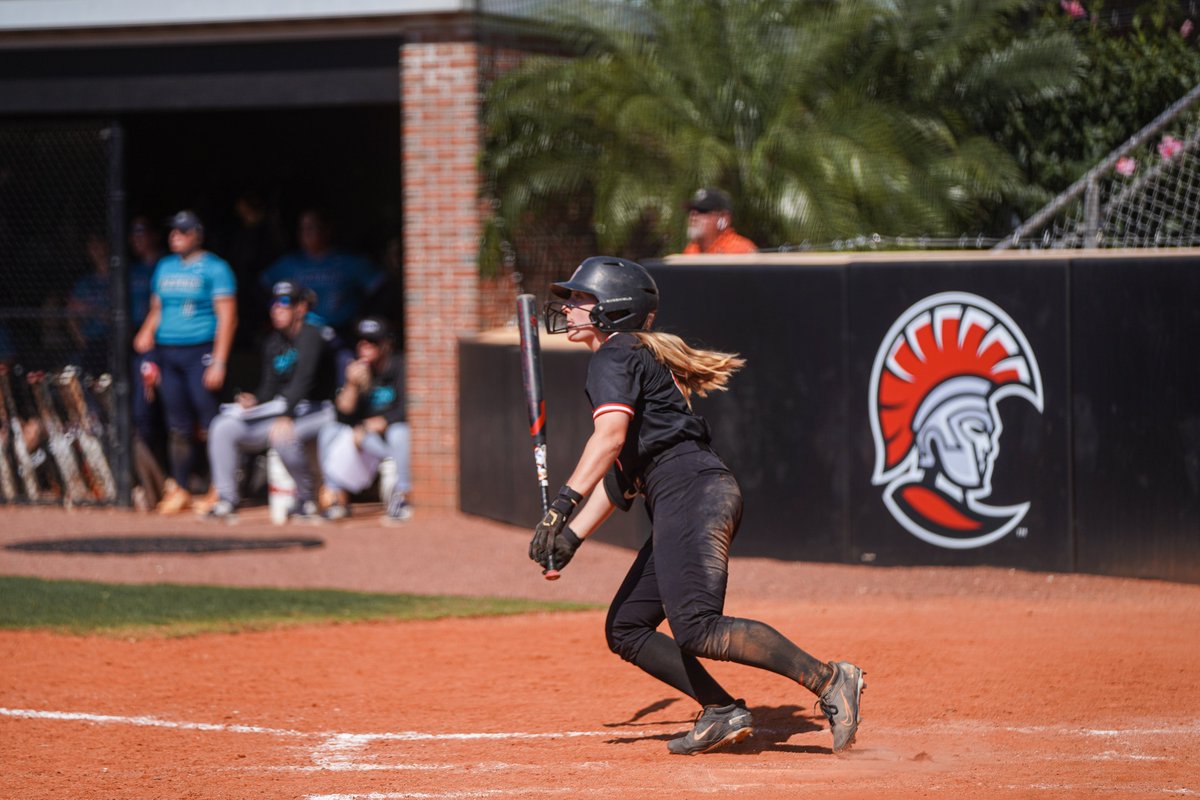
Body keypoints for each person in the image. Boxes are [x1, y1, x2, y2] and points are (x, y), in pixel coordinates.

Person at [528, 256, 864, 756]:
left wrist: (560, 504)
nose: (571, 308)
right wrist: (570, 536)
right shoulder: (632, 356)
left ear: (614, 309)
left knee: (698, 627)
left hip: (690, 491)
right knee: (627, 627)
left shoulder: (614, 355)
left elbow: (610, 438)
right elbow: (623, 479)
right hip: (685, 492)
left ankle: (830, 679)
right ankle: (721, 710)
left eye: (581, 298)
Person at [201, 281, 335, 522]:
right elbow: (269, 387)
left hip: (318, 410)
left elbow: (304, 382)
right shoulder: (273, 342)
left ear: (301, 308)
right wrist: (254, 400)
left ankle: (307, 499)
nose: (277, 309)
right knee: (223, 426)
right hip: (283, 410)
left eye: (285, 303)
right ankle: (226, 500)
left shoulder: (312, 335)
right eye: (274, 304)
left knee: (283, 435)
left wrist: (286, 415)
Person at [132, 210, 237, 514]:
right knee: (177, 423)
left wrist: (219, 361)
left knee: (209, 424)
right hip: (168, 352)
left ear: (197, 234)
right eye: (173, 231)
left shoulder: (216, 268)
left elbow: (228, 317)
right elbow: (157, 307)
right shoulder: (164, 266)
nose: (175, 236)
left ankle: (220, 486)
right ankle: (180, 487)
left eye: (182, 231)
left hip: (200, 349)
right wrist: (146, 332)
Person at [317, 315, 411, 523]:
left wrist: (382, 421)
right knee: (329, 431)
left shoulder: (400, 366)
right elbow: (342, 415)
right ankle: (336, 498)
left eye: (372, 342)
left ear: (386, 344)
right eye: (361, 341)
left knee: (399, 432)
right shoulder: (357, 369)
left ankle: (403, 497)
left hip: (392, 435)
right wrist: (351, 385)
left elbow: (409, 408)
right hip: (366, 440)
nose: (365, 346)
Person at [260, 209, 383, 368]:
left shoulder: (348, 262)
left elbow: (382, 286)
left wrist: (365, 314)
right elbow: (260, 287)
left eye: (312, 228)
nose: (306, 233)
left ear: (327, 230)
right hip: (299, 336)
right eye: (302, 229)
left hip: (339, 335)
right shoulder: (289, 263)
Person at [67, 231, 113, 376]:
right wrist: (81, 340)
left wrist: (92, 310)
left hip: (115, 339)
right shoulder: (84, 283)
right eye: (91, 246)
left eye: (98, 244)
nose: (95, 249)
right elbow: (71, 315)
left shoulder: (122, 279)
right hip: (92, 342)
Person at [682, 187, 757, 254]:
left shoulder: (740, 250)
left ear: (723, 218)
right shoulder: (691, 251)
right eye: (691, 211)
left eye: (703, 210)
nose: (693, 216)